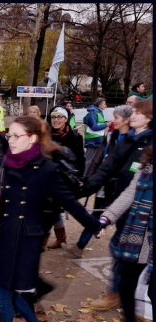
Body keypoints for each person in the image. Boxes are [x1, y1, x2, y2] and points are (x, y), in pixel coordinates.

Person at [0, 116, 102, 322]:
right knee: (16, 294)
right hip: (7, 235)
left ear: (32, 138)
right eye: (9, 135)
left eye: (16, 136)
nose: (10, 140)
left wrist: (94, 224)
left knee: (4, 295)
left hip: (28, 240)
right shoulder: (3, 164)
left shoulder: (47, 169)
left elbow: (69, 201)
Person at [78, 100, 152, 311]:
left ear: (148, 118)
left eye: (137, 112)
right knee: (121, 248)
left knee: (126, 250)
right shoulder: (127, 140)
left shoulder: (150, 143)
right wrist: (83, 189)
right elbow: (106, 170)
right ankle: (119, 292)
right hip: (124, 205)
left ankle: (119, 293)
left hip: (145, 210)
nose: (132, 115)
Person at [97, 145, 152, 322]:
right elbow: (130, 192)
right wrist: (106, 216)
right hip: (137, 234)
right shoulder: (148, 161)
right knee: (125, 283)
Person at [63, 105, 133, 258]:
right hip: (105, 182)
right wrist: (88, 179)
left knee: (123, 217)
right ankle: (80, 246)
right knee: (98, 213)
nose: (112, 121)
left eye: (116, 118)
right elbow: (99, 158)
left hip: (123, 186)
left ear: (127, 120)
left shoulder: (134, 141)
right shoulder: (112, 135)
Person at [42, 106, 86, 249]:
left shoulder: (75, 137)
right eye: (54, 117)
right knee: (48, 209)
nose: (56, 120)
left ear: (66, 119)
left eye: (59, 117)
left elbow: (80, 160)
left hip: (64, 179)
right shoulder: (46, 135)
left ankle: (52, 239)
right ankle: (58, 238)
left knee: (52, 209)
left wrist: (79, 179)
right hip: (46, 176)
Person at [83, 97, 110, 176]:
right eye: (104, 104)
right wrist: (106, 124)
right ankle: (85, 177)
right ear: (100, 104)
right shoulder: (93, 113)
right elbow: (94, 127)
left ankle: (90, 176)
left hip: (97, 139)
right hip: (93, 140)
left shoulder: (97, 112)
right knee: (90, 160)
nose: (105, 105)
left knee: (95, 160)